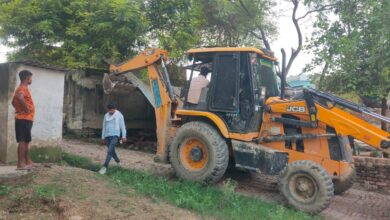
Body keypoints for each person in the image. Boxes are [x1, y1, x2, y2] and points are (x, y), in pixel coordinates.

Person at [11, 70, 35, 170]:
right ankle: (21, 164)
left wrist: (19, 109)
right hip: (24, 119)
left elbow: (13, 102)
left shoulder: (22, 88)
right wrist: (26, 109)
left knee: (26, 141)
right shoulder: (22, 88)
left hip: (25, 119)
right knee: (23, 141)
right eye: (31, 77)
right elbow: (20, 98)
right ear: (27, 78)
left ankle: (28, 162)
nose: (31, 79)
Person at [99, 103, 127, 175]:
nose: (111, 112)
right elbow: (104, 126)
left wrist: (124, 136)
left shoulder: (119, 115)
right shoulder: (106, 115)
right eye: (109, 110)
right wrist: (102, 137)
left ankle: (104, 167)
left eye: (112, 110)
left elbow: (123, 126)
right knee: (111, 151)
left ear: (115, 109)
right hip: (107, 135)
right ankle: (118, 161)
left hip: (115, 135)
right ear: (108, 109)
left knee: (109, 151)